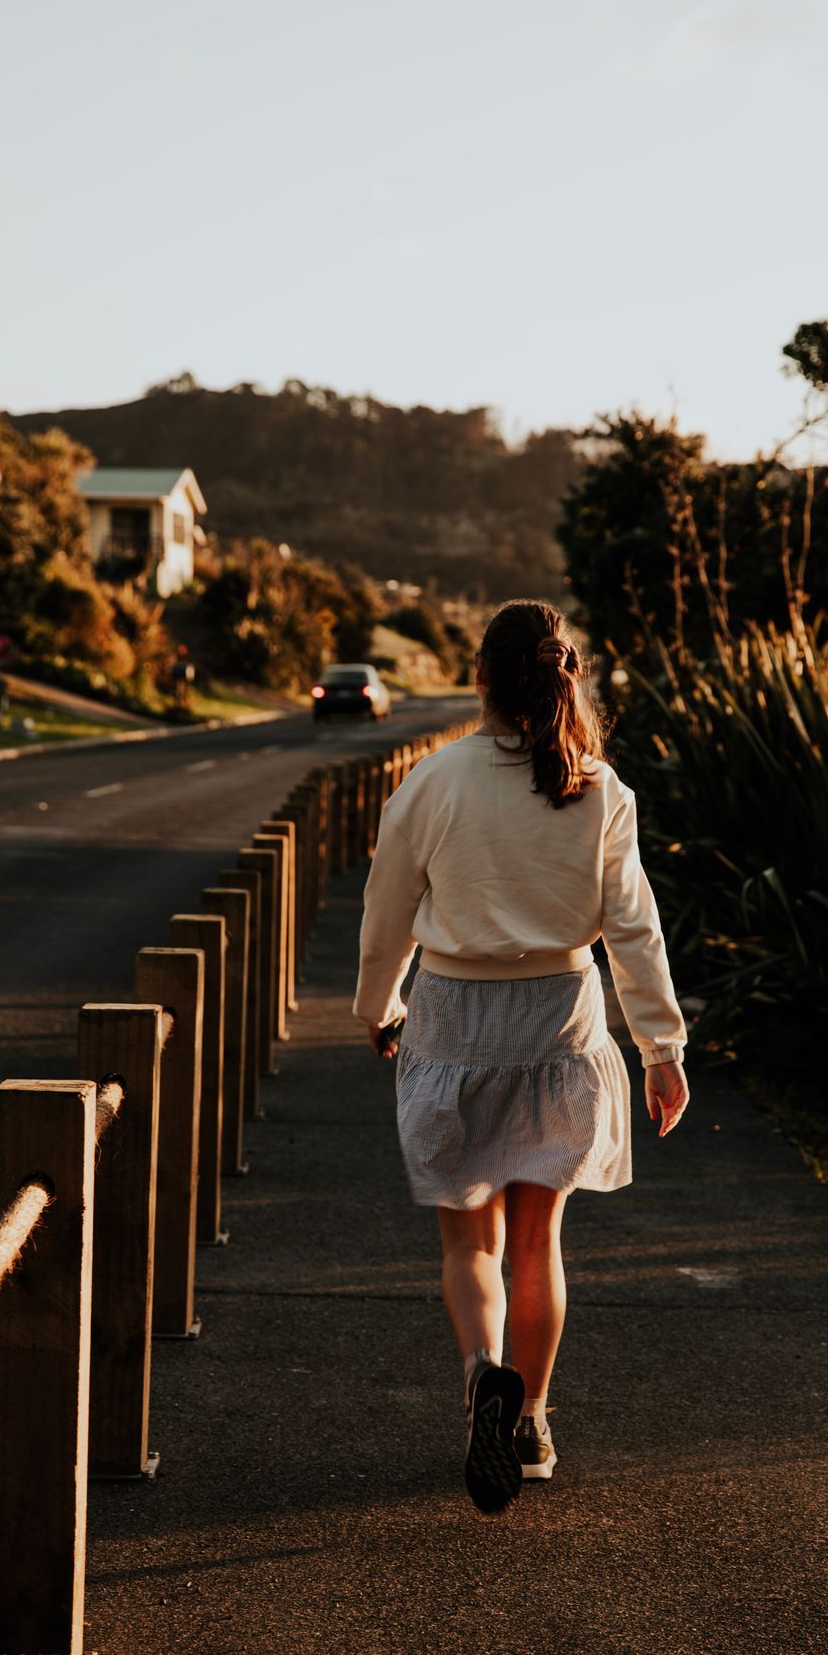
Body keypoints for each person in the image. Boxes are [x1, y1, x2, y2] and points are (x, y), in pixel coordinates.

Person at [352, 598, 690, 1514]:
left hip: (454, 1018)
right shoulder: (600, 788)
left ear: (482, 680)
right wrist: (662, 1047)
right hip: (558, 1023)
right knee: (539, 1240)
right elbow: (635, 928)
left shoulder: (433, 781)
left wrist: (378, 1007)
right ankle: (530, 1419)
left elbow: (386, 916)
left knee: (472, 1238)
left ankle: (479, 1379)